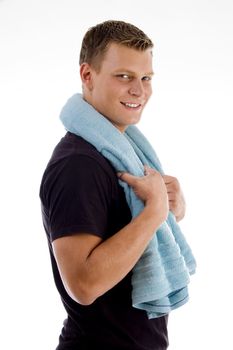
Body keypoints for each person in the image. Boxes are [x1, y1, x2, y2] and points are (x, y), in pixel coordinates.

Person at [40, 20, 186, 350]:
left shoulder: (125, 154)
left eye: (146, 78)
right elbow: (84, 284)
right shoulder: (78, 164)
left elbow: (126, 240)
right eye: (124, 77)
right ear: (87, 76)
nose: (139, 90)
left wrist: (167, 210)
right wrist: (153, 213)